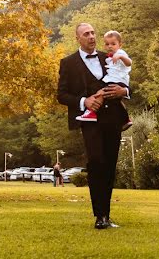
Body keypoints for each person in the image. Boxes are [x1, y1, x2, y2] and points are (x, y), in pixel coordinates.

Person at [57, 23, 130, 230]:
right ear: (78, 38)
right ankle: (99, 215)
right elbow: (61, 95)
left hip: (114, 117)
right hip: (90, 120)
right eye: (86, 34)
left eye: (92, 33)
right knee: (96, 162)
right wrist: (84, 102)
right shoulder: (68, 63)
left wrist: (123, 92)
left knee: (109, 165)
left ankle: (106, 215)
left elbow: (125, 78)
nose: (91, 37)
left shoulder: (108, 55)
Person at [75, 30, 133, 130]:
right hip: (112, 80)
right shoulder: (107, 56)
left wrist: (121, 56)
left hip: (118, 81)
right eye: (107, 44)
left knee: (101, 93)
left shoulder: (120, 53)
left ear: (120, 44)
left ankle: (91, 112)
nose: (110, 46)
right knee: (113, 98)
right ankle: (125, 119)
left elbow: (129, 63)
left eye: (113, 44)